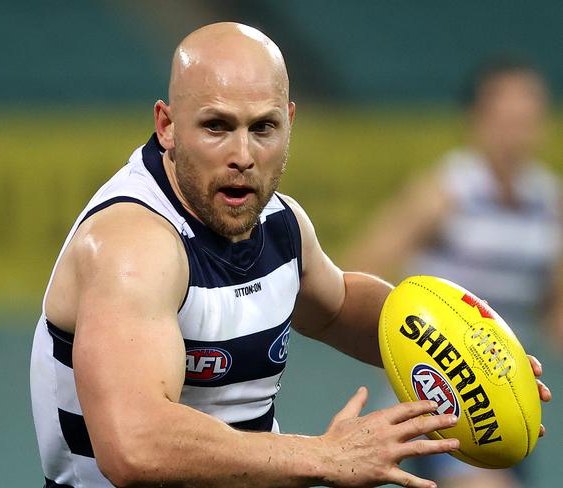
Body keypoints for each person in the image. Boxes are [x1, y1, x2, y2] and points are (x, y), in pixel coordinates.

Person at [30, 25, 550, 488]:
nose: (243, 154)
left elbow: (339, 306)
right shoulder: (134, 244)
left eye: (263, 127)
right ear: (167, 125)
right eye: (216, 126)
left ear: (289, 122)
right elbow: (134, 447)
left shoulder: (281, 224)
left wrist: (468, 358)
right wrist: (325, 456)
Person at [343, 57, 559, 487]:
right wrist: (417, 340)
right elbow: (355, 271)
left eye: (527, 115)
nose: (517, 127)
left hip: (512, 399)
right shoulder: (446, 191)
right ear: (477, 119)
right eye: (506, 115)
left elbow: (554, 305)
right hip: (445, 399)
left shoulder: (548, 200)